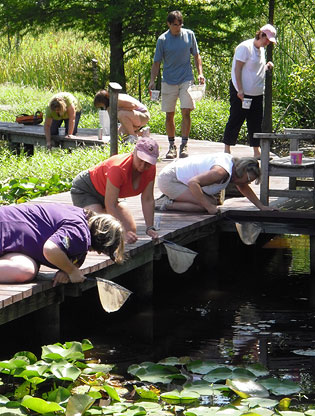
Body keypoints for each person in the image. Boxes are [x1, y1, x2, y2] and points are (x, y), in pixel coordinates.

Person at [0, 203, 125, 285]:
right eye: (101, 250)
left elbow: (74, 259)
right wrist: (71, 271)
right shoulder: (79, 231)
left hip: (13, 245)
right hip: (4, 230)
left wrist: (65, 270)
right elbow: (51, 249)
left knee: (26, 270)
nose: (97, 252)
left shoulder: (83, 217)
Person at [70, 137, 160, 244]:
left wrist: (150, 227)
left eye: (148, 163)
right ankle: (88, 218)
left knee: (131, 231)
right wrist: (122, 231)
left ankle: (98, 214)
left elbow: (147, 199)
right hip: (87, 190)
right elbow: (110, 204)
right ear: (134, 152)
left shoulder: (150, 169)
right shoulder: (118, 168)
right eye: (141, 160)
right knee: (104, 232)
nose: (143, 166)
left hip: (112, 194)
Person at [149, 10, 205, 159]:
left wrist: (200, 73)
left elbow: (196, 55)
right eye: (175, 25)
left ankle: (184, 144)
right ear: (168, 24)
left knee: (186, 111)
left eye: (180, 24)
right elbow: (156, 62)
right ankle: (171, 145)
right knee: (169, 114)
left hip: (186, 78)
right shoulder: (162, 40)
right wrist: (152, 80)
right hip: (168, 80)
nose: (178, 27)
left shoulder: (189, 35)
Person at [223, 24, 277, 159]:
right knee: (236, 118)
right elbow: (238, 69)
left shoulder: (261, 50)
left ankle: (256, 151)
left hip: (257, 92)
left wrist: (266, 66)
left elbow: (254, 69)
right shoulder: (245, 47)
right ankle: (227, 149)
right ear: (261, 35)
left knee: (255, 121)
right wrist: (240, 89)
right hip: (241, 92)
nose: (268, 43)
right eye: (267, 39)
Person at [155, 153, 273, 214]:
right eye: (248, 180)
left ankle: (172, 199)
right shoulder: (220, 172)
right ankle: (164, 203)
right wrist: (208, 207)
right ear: (241, 171)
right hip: (170, 179)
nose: (247, 183)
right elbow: (193, 183)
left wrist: (261, 207)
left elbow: (243, 187)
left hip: (181, 179)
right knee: (204, 206)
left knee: (211, 202)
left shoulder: (234, 168)